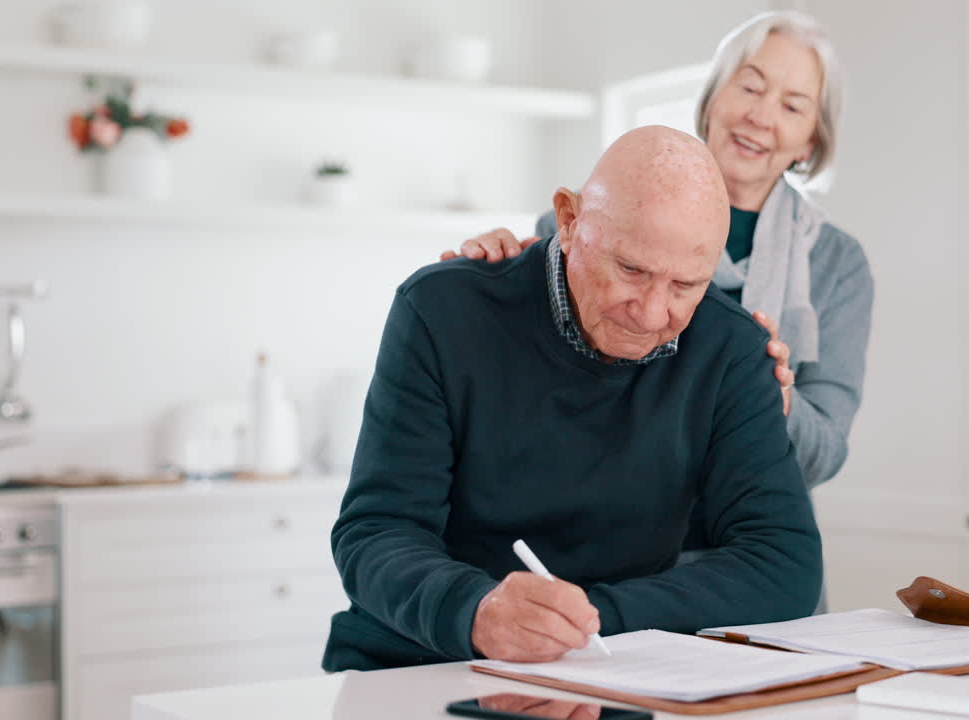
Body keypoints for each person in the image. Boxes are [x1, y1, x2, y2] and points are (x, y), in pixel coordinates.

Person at [322, 126, 822, 671]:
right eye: (631, 270)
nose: (654, 314)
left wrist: (587, 619)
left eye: (686, 285)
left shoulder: (731, 349)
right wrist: (476, 611)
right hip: (417, 663)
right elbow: (376, 532)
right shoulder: (442, 310)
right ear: (569, 219)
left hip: (607, 667)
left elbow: (784, 563)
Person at [443, 10, 873, 499]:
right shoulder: (593, 216)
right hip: (596, 530)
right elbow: (515, 384)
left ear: (811, 141)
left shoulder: (838, 265)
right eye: (750, 88)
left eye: (793, 107)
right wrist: (496, 275)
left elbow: (825, 456)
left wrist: (772, 397)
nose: (761, 116)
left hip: (747, 542)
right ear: (713, 97)